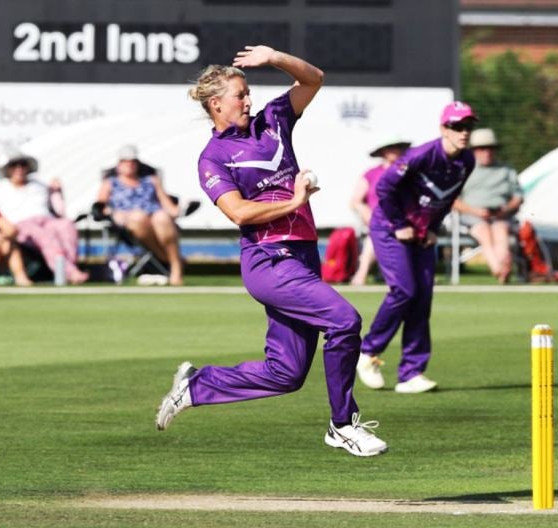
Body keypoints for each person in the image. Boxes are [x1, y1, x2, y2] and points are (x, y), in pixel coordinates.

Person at [154, 45, 387, 457]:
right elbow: (241, 213)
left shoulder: (274, 121)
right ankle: (342, 424)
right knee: (344, 320)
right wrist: (295, 202)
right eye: (240, 95)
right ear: (216, 105)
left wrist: (275, 57)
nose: (248, 100)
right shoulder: (213, 158)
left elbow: (313, 78)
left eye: (248, 92)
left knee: (286, 374)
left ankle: (198, 384)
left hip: (302, 258)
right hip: (268, 262)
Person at [356, 101, 477, 393]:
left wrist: (433, 228)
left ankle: (411, 373)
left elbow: (448, 197)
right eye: (457, 126)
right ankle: (368, 353)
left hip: (421, 231)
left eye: (468, 127)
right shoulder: (421, 155)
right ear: (443, 128)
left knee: (422, 299)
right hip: (389, 226)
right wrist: (399, 224)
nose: (463, 132)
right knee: (404, 291)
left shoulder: (467, 161)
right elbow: (384, 188)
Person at [0, 149, 89, 284]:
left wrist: (57, 192)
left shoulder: (39, 186)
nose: (19, 169)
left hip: (47, 221)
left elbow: (59, 211)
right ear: (8, 169)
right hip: (18, 227)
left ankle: (68, 266)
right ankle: (68, 272)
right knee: (41, 234)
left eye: (22, 165)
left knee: (66, 225)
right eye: (14, 165)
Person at [95, 145, 184, 286]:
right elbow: (100, 206)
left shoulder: (151, 180)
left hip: (155, 218)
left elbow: (168, 205)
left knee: (161, 218)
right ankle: (167, 258)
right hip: (129, 221)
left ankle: (175, 266)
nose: (129, 165)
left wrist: (180, 210)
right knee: (138, 217)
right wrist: (113, 213)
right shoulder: (110, 183)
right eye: (125, 161)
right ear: (119, 164)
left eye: (133, 161)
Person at [453, 128, 523, 284]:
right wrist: (474, 211)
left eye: (490, 148)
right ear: (474, 150)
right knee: (483, 230)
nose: (487, 152)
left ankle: (503, 266)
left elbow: (518, 197)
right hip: (470, 218)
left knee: (500, 229)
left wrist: (505, 209)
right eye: (482, 149)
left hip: (501, 216)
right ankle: (498, 267)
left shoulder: (506, 170)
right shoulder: (464, 170)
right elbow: (452, 200)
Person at [349, 140, 411, 286]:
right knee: (374, 235)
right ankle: (362, 274)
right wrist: (366, 214)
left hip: (403, 220)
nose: (396, 151)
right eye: (391, 148)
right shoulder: (371, 174)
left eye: (398, 148)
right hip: (377, 220)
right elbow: (355, 201)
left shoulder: (408, 172)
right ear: (383, 151)